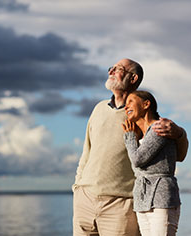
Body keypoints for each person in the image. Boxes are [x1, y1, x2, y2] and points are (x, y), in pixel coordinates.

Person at [72, 58, 188, 236]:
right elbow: (86, 152)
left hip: (121, 206)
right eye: (111, 67)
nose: (110, 71)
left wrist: (180, 133)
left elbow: (178, 155)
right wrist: (77, 188)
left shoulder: (141, 117)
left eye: (117, 69)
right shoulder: (98, 109)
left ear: (133, 78)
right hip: (84, 202)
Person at [122, 91, 181, 236]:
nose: (125, 106)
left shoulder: (159, 128)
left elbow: (137, 160)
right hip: (142, 198)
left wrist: (129, 138)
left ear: (146, 104)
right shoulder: (143, 135)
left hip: (161, 196)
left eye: (130, 101)